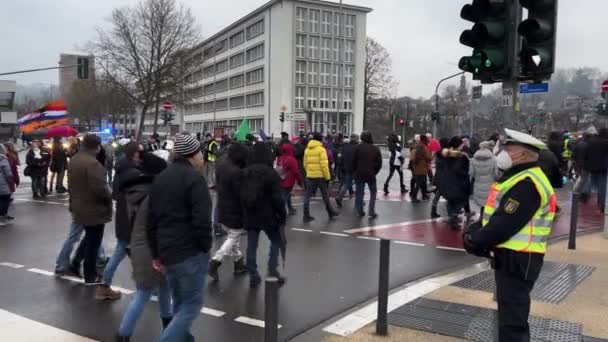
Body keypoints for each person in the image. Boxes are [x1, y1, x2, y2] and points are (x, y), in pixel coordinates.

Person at [463, 128, 556, 342]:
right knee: (509, 315)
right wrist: (477, 229)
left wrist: (474, 240)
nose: (502, 152)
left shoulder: (527, 183)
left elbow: (504, 224)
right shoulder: (519, 177)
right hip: (514, 256)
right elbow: (494, 214)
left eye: (508, 149)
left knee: (513, 322)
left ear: (523, 154)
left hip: (519, 258)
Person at [147, 134, 212, 341]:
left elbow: (151, 221)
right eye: (200, 152)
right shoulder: (194, 179)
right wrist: (205, 246)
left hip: (167, 251)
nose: (202, 157)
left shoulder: (161, 178)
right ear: (193, 156)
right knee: (191, 305)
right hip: (190, 251)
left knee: (179, 304)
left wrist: (156, 254)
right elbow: (202, 219)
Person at [115, 146, 170, 342]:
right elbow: (160, 224)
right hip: (152, 249)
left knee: (162, 289)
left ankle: (168, 329)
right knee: (144, 293)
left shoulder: (138, 190)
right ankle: (123, 334)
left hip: (139, 245)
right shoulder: (154, 195)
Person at [68, 134, 113, 285]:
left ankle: (75, 262)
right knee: (93, 243)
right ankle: (90, 276)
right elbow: (101, 188)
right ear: (97, 146)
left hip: (79, 206)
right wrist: (110, 196)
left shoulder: (75, 159)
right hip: (94, 208)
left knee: (89, 237)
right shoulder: (93, 164)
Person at [241, 143, 287, 287]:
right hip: (269, 214)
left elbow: (240, 194)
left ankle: (252, 272)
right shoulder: (270, 173)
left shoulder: (245, 172)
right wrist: (282, 214)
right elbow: (277, 198)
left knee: (252, 244)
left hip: (250, 213)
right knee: (276, 241)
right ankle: (272, 268)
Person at [208, 143, 249, 282]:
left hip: (223, 206)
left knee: (233, 238)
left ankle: (239, 263)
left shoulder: (222, 167)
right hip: (234, 209)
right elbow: (241, 193)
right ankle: (215, 261)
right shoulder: (236, 172)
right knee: (234, 235)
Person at [302, 132, 339, 222]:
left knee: (307, 195)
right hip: (320, 177)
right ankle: (330, 212)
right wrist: (328, 177)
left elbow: (305, 163)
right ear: (320, 139)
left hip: (310, 176)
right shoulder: (321, 150)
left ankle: (306, 215)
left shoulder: (307, 149)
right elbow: (324, 165)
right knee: (325, 195)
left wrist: (309, 171)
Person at [440, 136, 472, 229]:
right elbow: (464, 172)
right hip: (459, 184)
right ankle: (454, 218)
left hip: (448, 183)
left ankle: (452, 218)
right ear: (458, 145)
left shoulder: (446, 156)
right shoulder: (462, 157)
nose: (462, 146)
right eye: (461, 144)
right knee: (459, 202)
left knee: (451, 202)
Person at [352, 131, 382, 219]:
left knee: (359, 192)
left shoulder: (357, 148)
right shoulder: (375, 148)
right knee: (373, 192)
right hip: (370, 173)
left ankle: (360, 210)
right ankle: (371, 211)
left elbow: (354, 161)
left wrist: (355, 171)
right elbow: (379, 163)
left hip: (359, 173)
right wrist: (374, 171)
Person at [470, 141, 498, 215]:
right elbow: (496, 174)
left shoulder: (473, 159)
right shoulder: (494, 159)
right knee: (490, 206)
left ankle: (481, 219)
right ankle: (487, 220)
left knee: (481, 205)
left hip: (478, 185)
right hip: (490, 185)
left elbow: (471, 173)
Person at [584, 128, 608, 211]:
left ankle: (584, 193)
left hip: (591, 165)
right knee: (602, 186)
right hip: (602, 167)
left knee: (591, 181)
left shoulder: (591, 141)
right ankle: (601, 203)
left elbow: (586, 153)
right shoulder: (606, 142)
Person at [276, 143, 302, 216]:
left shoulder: (280, 158)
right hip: (288, 181)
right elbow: (296, 172)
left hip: (280, 179)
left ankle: (290, 208)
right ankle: (279, 211)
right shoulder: (291, 159)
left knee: (287, 195)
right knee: (284, 196)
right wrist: (299, 180)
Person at [335, 134, 358, 208]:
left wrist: (341, 167)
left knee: (346, 184)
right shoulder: (357, 147)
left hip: (347, 168)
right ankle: (360, 200)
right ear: (356, 139)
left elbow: (341, 158)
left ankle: (339, 197)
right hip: (356, 169)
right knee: (359, 185)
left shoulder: (345, 147)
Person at [409, 135, 432, 202]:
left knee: (423, 181)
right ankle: (414, 197)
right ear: (424, 140)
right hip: (421, 167)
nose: (428, 141)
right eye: (427, 140)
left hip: (417, 166)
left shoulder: (417, 146)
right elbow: (428, 157)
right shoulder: (423, 147)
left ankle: (424, 195)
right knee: (419, 182)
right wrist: (432, 157)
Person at [0, 145, 14, 225]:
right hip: (2, 183)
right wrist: (10, 181)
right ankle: (2, 217)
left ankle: (4, 215)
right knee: (5, 199)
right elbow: (8, 173)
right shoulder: (3, 159)